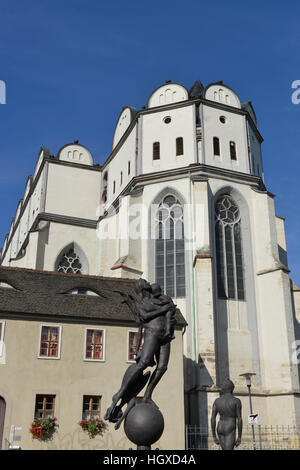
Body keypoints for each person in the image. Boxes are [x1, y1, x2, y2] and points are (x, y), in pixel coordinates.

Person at [104, 279, 176, 429]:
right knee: (144, 362)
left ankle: (148, 395)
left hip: (165, 337)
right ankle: (120, 392)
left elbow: (170, 311)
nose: (146, 281)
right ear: (141, 288)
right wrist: (164, 310)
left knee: (162, 367)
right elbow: (144, 316)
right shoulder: (139, 301)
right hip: (152, 333)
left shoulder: (157, 297)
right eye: (144, 282)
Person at [211, 378, 242, 450]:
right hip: (230, 427)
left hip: (220, 427)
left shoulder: (217, 401)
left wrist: (214, 435)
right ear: (232, 389)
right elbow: (239, 419)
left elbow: (213, 418)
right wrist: (239, 437)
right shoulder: (236, 401)